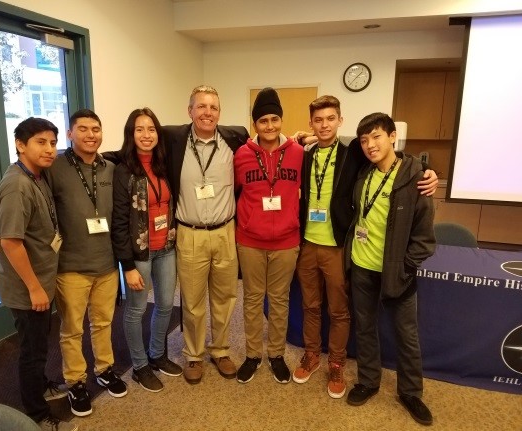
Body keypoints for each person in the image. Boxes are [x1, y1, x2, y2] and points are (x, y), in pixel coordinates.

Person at [292, 96, 439, 399]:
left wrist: (427, 169)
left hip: (342, 248)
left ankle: (342, 366)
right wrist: (302, 138)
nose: (324, 125)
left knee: (348, 314)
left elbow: (394, 158)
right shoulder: (308, 156)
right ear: (311, 123)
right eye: (318, 120)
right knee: (318, 309)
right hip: (320, 248)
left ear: (340, 121)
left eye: (330, 118)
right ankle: (320, 359)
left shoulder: (356, 157)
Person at [345, 113, 435, 426]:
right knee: (365, 328)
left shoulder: (417, 179)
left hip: (397, 273)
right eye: (365, 140)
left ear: (393, 136)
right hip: (361, 267)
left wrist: (405, 267)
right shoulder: (364, 174)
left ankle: (410, 392)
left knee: (406, 335)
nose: (370, 145)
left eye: (377, 137)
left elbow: (424, 238)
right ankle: (368, 381)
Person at [0, 117, 77, 431]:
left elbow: (12, 231)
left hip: (40, 278)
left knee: (39, 345)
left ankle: (41, 385)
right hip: (28, 288)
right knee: (32, 351)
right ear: (20, 144)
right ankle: (36, 415)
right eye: (41, 142)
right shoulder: (17, 184)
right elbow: (12, 243)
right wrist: (34, 288)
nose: (49, 149)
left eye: (53, 143)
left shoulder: (35, 176)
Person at [163, 85, 249, 384]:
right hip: (191, 233)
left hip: (225, 231)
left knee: (225, 297)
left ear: (219, 113)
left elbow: (268, 143)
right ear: (190, 111)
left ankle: (221, 350)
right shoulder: (173, 140)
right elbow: (137, 146)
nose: (207, 112)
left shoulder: (234, 138)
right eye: (201, 107)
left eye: (213, 107)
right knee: (193, 299)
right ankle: (194, 356)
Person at [46, 109, 127, 418]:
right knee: (71, 330)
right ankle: (76, 382)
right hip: (71, 266)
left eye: (96, 129)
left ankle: (104, 368)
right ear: (70, 134)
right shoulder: (54, 168)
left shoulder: (110, 168)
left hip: (106, 264)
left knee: (104, 322)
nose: (91, 134)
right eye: (83, 129)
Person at [234, 88, 303, 384]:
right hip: (250, 240)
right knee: (251, 299)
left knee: (279, 300)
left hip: (287, 241)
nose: (270, 126)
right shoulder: (242, 155)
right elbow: (235, 191)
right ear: (255, 125)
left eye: (275, 119)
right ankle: (252, 354)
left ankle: (275, 354)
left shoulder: (299, 153)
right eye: (263, 120)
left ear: (282, 120)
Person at [111, 108, 182, 392]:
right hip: (139, 254)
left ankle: (157, 355)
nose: (146, 135)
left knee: (165, 305)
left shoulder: (165, 164)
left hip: (166, 247)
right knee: (136, 309)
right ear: (131, 134)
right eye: (139, 129)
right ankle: (139, 365)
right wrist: (126, 266)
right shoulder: (123, 170)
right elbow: (119, 221)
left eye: (151, 129)